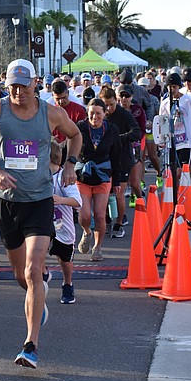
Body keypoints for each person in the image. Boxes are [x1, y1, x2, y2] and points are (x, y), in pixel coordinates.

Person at [0, 59, 81, 369]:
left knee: (33, 271)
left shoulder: (51, 113)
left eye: (24, 84)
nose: (18, 90)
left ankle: (30, 345)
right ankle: (39, 297)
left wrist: (70, 164)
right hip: (7, 203)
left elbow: (75, 135)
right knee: (21, 276)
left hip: (40, 200)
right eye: (13, 85)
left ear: (36, 83)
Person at [75, 99, 122, 262]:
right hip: (83, 175)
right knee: (85, 214)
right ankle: (86, 231)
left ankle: (98, 247)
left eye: (98, 114)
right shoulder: (80, 127)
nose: (94, 117)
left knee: (101, 215)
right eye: (91, 113)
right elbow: (71, 148)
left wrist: (117, 181)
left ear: (104, 113)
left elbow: (117, 155)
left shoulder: (111, 129)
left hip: (103, 175)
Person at [99, 86, 140, 239]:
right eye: (105, 105)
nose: (108, 108)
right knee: (105, 193)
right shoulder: (99, 114)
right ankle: (108, 219)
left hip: (123, 159)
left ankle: (120, 223)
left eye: (111, 104)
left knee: (118, 193)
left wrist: (119, 139)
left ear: (116, 101)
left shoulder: (124, 114)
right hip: (104, 159)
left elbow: (137, 132)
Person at [47, 141, 82, 304]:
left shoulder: (63, 177)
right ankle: (42, 273)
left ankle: (67, 284)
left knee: (64, 260)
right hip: (43, 222)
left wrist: (61, 200)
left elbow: (77, 201)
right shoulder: (38, 176)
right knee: (35, 250)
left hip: (61, 225)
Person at [159, 73, 191, 185]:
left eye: (174, 87)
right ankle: (176, 197)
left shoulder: (188, 100)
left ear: (179, 87)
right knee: (173, 172)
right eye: (170, 87)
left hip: (186, 141)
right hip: (172, 142)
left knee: (182, 171)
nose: (172, 89)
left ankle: (187, 194)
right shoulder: (164, 103)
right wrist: (162, 140)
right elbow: (161, 122)